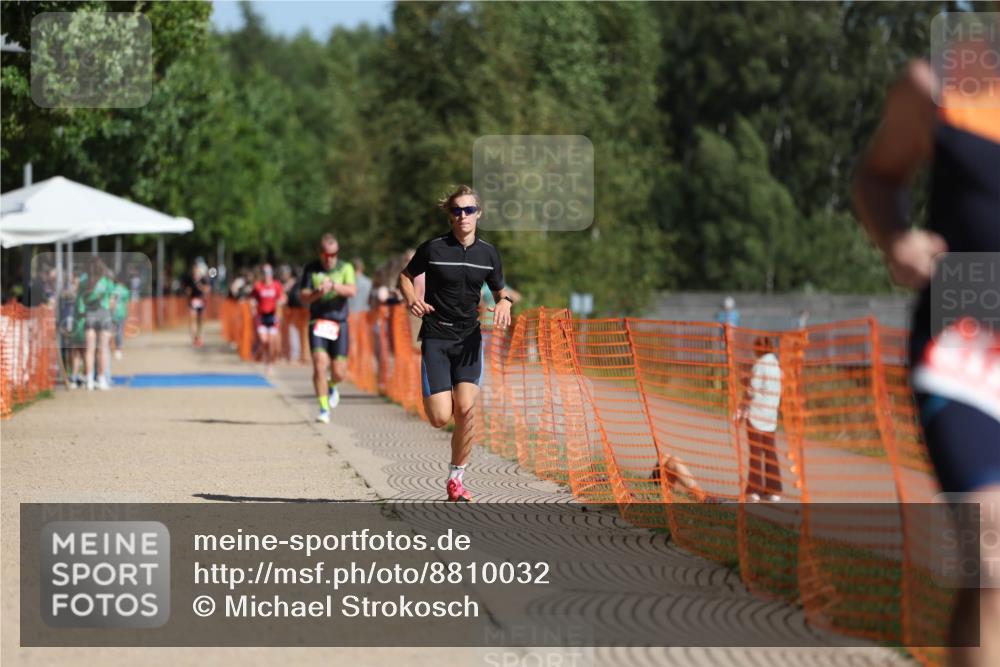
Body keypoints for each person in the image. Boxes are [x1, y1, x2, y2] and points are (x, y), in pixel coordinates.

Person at [853, 55, 1000, 664]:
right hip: (966, 336)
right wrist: (897, 239)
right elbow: (878, 178)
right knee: (993, 553)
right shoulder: (940, 86)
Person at [399, 185, 513, 502]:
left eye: (469, 210)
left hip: (468, 339)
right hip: (436, 336)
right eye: (457, 210)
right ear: (449, 215)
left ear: (479, 214)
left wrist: (505, 303)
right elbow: (405, 276)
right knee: (439, 418)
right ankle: (436, 398)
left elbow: (501, 292)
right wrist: (412, 300)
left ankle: (456, 479)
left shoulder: (489, 254)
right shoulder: (434, 249)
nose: (463, 216)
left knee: (466, 409)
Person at [299, 234, 356, 424]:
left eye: (334, 254)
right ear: (320, 253)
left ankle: (332, 385)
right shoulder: (311, 269)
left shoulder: (345, 267)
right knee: (319, 363)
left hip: (340, 323)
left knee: (340, 372)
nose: (330, 258)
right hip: (318, 322)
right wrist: (318, 292)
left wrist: (333, 286)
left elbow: (351, 290)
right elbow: (304, 297)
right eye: (326, 254)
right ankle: (323, 408)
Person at [736, 336, 783, 502]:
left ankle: (754, 490)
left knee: (755, 453)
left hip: (756, 414)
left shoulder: (760, 364)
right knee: (770, 452)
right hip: (771, 415)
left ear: (758, 348)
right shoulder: (776, 365)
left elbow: (752, 390)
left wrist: (744, 381)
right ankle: (774, 490)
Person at [79, 256, 115, 391]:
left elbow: (80, 299)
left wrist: (82, 312)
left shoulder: (84, 281)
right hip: (104, 314)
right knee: (103, 349)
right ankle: (101, 379)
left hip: (89, 315)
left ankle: (89, 380)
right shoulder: (107, 282)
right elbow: (112, 302)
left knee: (89, 350)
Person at [251, 264, 285, 375]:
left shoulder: (277, 285)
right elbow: (252, 298)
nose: (267, 275)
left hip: (273, 316)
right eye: (265, 273)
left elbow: (282, 297)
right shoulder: (258, 286)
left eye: (268, 273)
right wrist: (253, 306)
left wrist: (281, 302)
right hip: (261, 316)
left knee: (271, 342)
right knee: (264, 340)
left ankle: (269, 364)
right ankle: (263, 357)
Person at [185, 261, 211, 347]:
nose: (195, 271)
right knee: (193, 319)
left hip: (201, 301)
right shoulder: (190, 280)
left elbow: (207, 290)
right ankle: (195, 338)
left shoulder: (203, 280)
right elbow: (187, 291)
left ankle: (199, 336)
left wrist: (201, 287)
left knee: (200, 321)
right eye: (194, 270)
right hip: (193, 301)